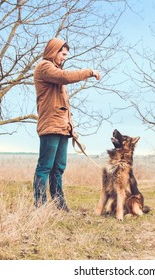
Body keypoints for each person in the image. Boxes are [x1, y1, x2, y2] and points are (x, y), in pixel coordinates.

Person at [33, 38, 101, 211]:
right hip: (50, 126)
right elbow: (65, 77)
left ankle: (59, 205)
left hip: (62, 127)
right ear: (53, 51)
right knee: (45, 167)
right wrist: (90, 72)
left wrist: (71, 128)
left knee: (59, 168)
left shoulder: (54, 71)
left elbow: (63, 106)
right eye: (62, 54)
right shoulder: (44, 67)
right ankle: (40, 207)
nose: (64, 58)